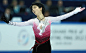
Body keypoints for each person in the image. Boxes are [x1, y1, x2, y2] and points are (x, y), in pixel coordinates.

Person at [1, 2, 85, 53]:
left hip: (47, 45)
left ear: (40, 8)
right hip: (37, 46)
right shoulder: (32, 21)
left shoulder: (49, 19)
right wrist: (9, 22)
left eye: (35, 8)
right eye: (32, 9)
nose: (33, 10)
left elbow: (63, 17)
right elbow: (20, 24)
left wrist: (75, 11)